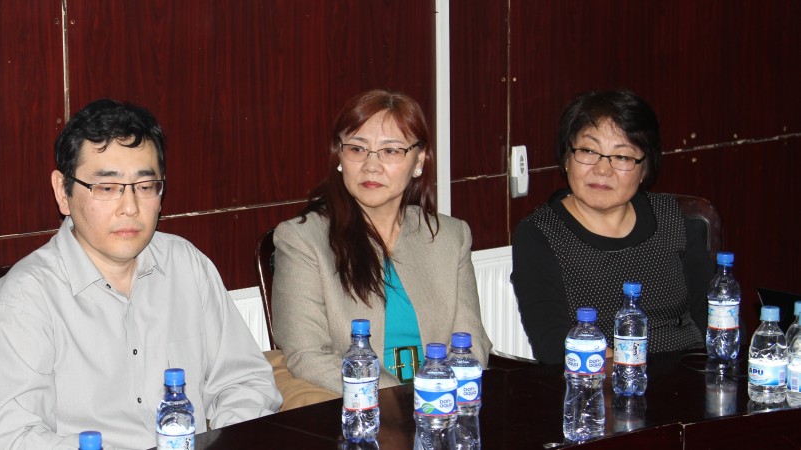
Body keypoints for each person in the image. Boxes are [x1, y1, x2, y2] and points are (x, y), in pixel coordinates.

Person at [0, 98, 281, 450]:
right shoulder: (24, 300)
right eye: (107, 188)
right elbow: (14, 439)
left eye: (145, 187)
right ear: (63, 191)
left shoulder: (186, 265)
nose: (130, 207)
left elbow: (244, 382)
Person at [271, 89, 492, 393]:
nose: (371, 166)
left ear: (419, 160)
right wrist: (400, 400)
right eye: (357, 149)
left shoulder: (451, 236)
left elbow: (470, 342)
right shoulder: (302, 240)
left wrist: (440, 397)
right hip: (358, 405)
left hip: (442, 403)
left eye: (390, 151)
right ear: (340, 156)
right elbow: (308, 357)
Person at [511, 90, 711, 364]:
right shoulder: (540, 234)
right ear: (567, 158)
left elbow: (717, 318)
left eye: (622, 157)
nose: (603, 170)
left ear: (644, 168)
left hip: (691, 376)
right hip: (600, 383)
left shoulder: (672, 218)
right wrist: (633, 371)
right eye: (589, 151)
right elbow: (554, 345)